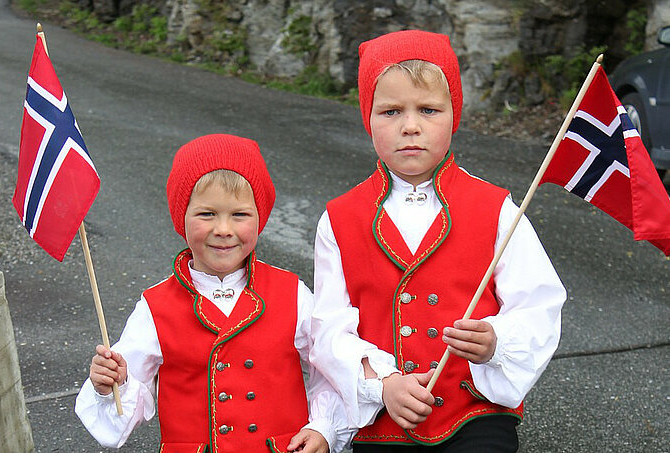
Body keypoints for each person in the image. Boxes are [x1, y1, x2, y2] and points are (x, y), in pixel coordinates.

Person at [310, 30, 567, 452]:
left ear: (454, 114)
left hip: (475, 414)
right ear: (367, 117)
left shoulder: (497, 208)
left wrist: (496, 340)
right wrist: (384, 384)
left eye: (428, 110)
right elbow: (330, 327)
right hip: (383, 417)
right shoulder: (338, 218)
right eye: (391, 112)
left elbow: (538, 302)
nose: (410, 126)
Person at [75, 134, 365, 453]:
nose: (224, 229)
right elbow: (129, 399)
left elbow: (330, 363)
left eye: (239, 215)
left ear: (260, 218)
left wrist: (323, 426)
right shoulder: (155, 307)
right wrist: (110, 385)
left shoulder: (291, 292)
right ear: (181, 217)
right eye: (207, 214)